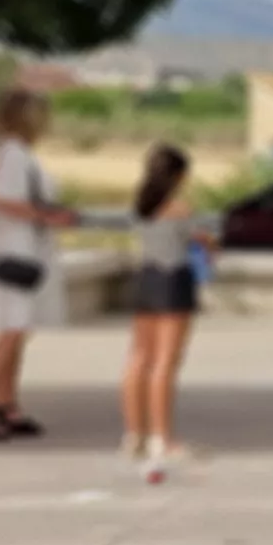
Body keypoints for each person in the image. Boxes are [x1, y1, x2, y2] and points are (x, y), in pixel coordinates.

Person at [0, 85, 78, 441]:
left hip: (25, 246)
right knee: (11, 328)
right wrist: (50, 216)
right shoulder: (13, 154)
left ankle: (4, 402)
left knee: (19, 328)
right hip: (16, 248)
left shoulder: (16, 153)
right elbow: (5, 202)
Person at [120, 143, 210, 479]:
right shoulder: (179, 210)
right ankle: (162, 437)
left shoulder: (140, 207)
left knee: (138, 358)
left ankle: (134, 434)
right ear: (179, 175)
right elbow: (199, 241)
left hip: (145, 278)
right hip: (173, 281)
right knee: (166, 362)